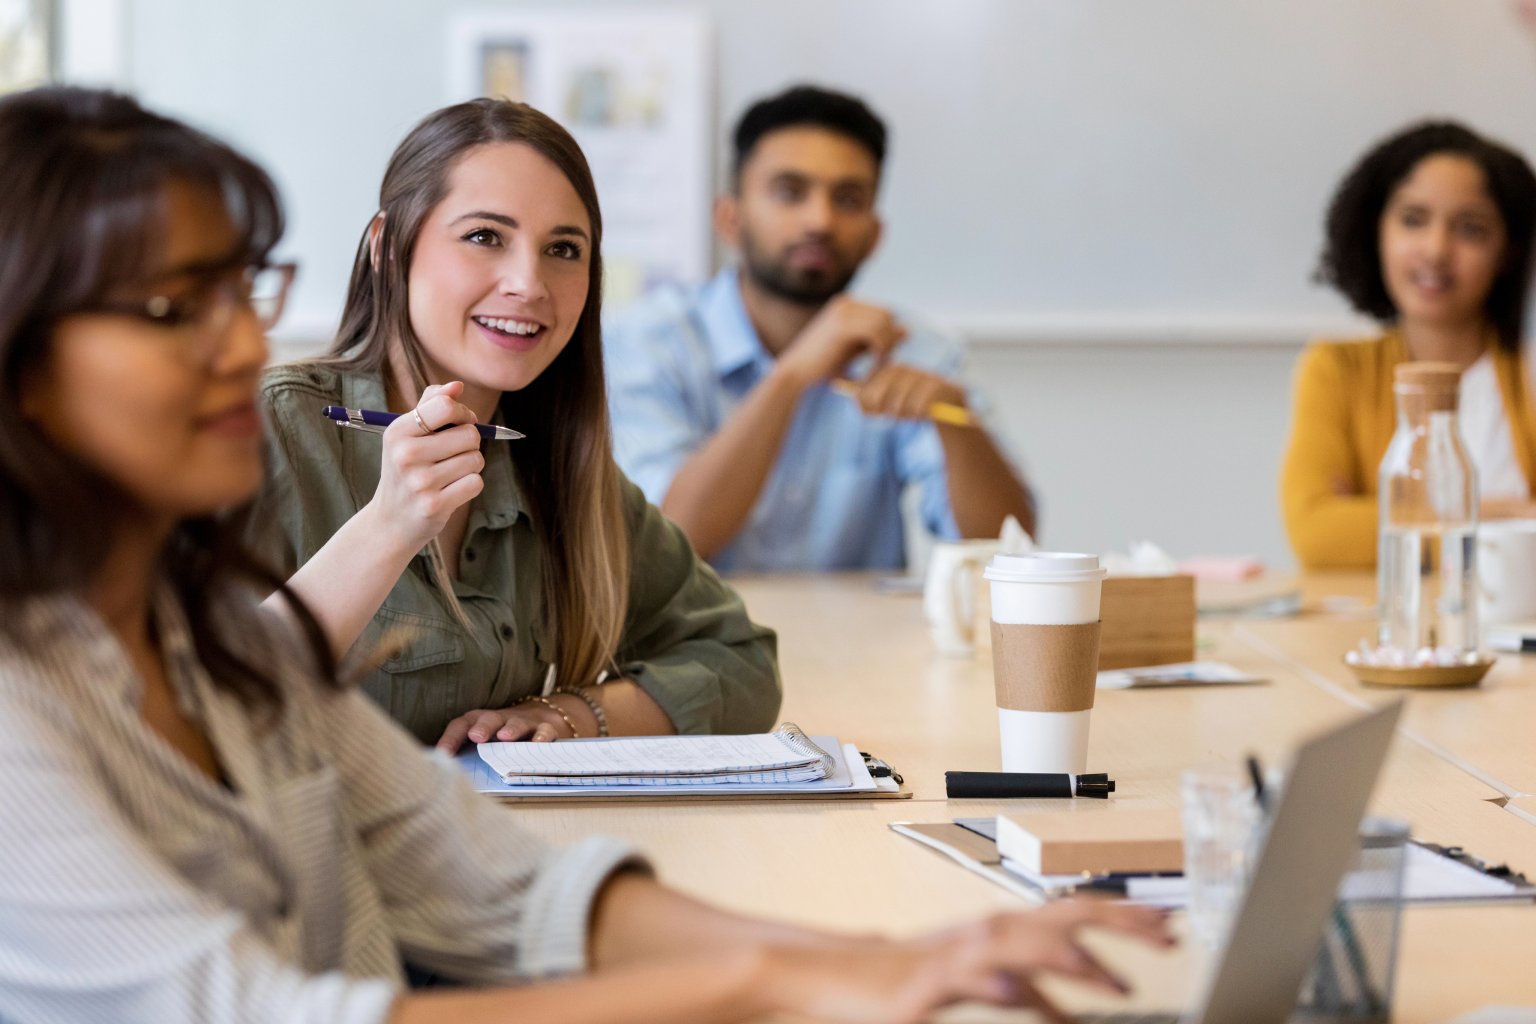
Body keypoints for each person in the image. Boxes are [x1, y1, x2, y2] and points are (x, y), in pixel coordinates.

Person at [0, 85, 1174, 1024]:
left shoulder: (217, 652)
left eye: (243, 293)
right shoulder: (34, 693)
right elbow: (259, 1009)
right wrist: (785, 982)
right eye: (170, 309)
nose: (241, 342)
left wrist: (886, 958)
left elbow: (505, 884)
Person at [248, 98, 781, 750]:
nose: (529, 283)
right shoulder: (269, 428)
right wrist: (389, 525)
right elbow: (192, 700)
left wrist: (574, 715)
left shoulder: (553, 462)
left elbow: (741, 662)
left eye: (563, 248)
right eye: (483, 237)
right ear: (388, 247)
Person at [604, 85, 1036, 572]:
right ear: (731, 218)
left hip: (861, 646)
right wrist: (790, 378)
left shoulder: (912, 350)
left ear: (875, 235)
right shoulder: (645, 341)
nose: (820, 220)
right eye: (790, 192)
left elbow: (1008, 550)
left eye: (848, 199)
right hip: (690, 646)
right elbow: (665, 544)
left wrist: (959, 426)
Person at [1282, 120, 1536, 569]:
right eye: (1413, 220)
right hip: (1381, 633)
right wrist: (1493, 514)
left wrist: (1388, 522)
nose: (1436, 249)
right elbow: (1318, 534)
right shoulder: (1337, 369)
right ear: (1375, 230)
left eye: (1470, 229)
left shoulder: (1529, 371)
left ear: (1508, 251)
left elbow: (1350, 531)